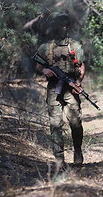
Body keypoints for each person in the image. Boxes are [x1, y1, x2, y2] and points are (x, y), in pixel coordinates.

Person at [35, 12, 86, 166]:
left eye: (64, 26)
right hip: (54, 89)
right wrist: (44, 71)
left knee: (75, 123)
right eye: (59, 26)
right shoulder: (45, 47)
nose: (62, 29)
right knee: (55, 125)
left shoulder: (75, 46)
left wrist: (77, 82)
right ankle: (59, 159)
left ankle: (77, 151)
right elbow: (38, 66)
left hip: (70, 89)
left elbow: (82, 67)